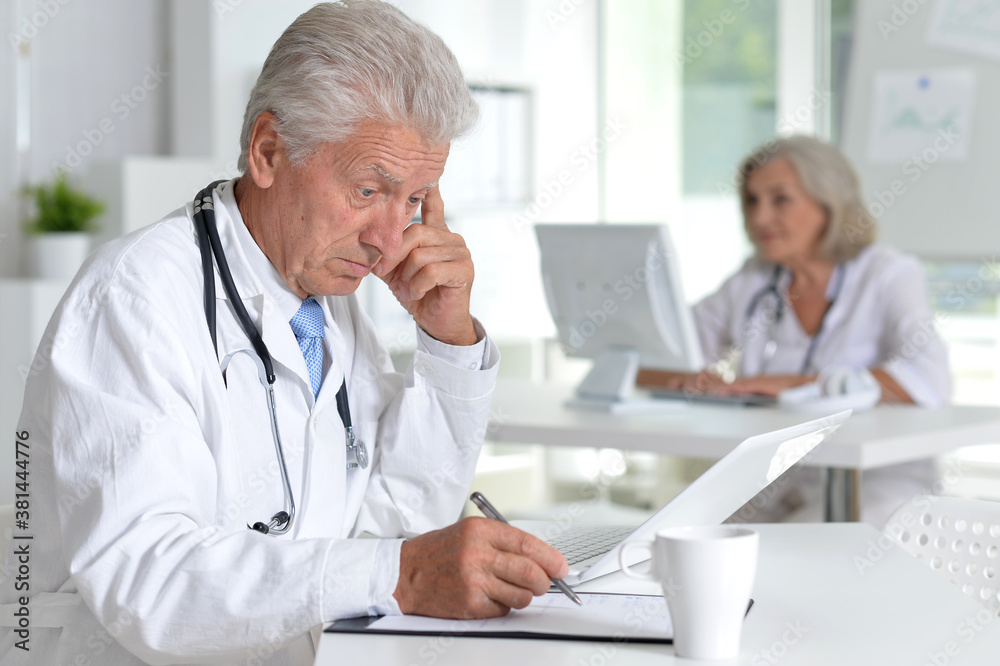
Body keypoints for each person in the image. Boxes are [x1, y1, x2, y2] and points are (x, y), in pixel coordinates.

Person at [0, 2, 566, 664]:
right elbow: (150, 581)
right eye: (367, 191)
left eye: (413, 200)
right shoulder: (134, 300)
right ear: (268, 151)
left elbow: (395, 526)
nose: (391, 242)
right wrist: (402, 573)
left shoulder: (326, 298)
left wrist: (448, 344)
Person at [638, 135, 951, 525]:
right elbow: (660, 351)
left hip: (874, 483)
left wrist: (793, 384)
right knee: (683, 538)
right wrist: (700, 378)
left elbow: (930, 378)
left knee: (797, 554)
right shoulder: (754, 279)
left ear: (829, 203)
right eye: (751, 200)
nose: (760, 217)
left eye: (779, 199)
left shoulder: (888, 274)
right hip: (776, 480)